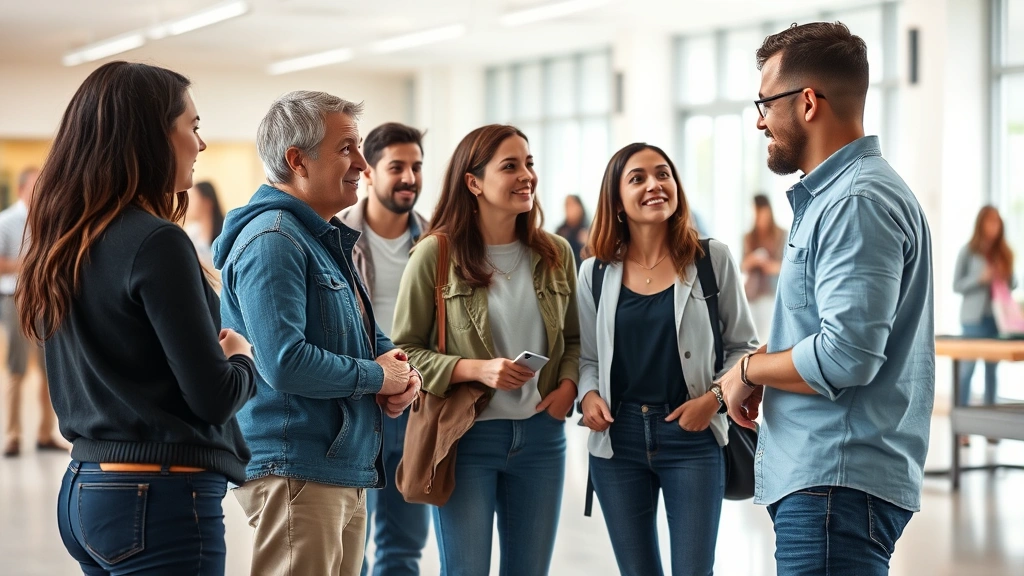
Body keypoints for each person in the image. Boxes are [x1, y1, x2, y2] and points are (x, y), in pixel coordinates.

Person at [15, 61, 257, 574]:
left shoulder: (64, 239)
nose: (201, 143)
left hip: (86, 489)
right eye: (192, 126)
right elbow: (214, 398)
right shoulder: (157, 241)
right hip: (158, 496)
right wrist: (241, 357)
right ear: (152, 136)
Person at [717, 22, 934, 576]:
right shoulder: (840, 196)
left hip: (834, 487)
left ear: (808, 102)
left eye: (766, 102)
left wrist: (750, 370)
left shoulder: (854, 201)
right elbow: (826, 331)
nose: (760, 120)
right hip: (830, 487)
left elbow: (847, 355)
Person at [213, 91, 421, 576]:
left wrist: (401, 373)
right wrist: (377, 377)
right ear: (297, 160)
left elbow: (364, 335)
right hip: (297, 467)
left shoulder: (318, 237)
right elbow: (284, 362)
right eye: (346, 148)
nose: (361, 163)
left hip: (336, 465)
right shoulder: (274, 240)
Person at [391, 124, 580, 576]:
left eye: (529, 163)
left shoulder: (556, 253)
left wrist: (569, 387)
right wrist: (476, 369)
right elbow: (404, 352)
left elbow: (575, 339)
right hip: (467, 437)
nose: (526, 175)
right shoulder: (435, 254)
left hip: (542, 438)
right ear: (473, 182)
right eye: (510, 166)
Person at [576, 143, 757, 576]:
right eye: (637, 178)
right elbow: (588, 358)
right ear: (617, 201)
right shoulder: (595, 272)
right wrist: (588, 396)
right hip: (618, 441)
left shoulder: (711, 259)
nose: (654, 185)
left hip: (692, 436)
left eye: (663, 174)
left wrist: (713, 400)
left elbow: (744, 347)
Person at [338, 122, 431, 576]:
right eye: (397, 167)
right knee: (349, 545)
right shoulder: (335, 236)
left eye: (416, 166)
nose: (409, 177)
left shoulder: (437, 241)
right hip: (357, 404)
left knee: (404, 546)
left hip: (417, 405)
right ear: (369, 172)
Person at [1, 167, 62, 457]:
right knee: (17, 367)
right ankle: (12, 435)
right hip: (16, 299)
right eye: (36, 185)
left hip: (47, 300)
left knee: (51, 368)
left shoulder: (50, 218)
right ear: (21, 189)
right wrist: (32, 263)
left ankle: (45, 433)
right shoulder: (6, 221)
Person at [953, 206, 1014, 412]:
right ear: (981, 224)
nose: (993, 226)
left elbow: (1013, 284)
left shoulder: (1003, 253)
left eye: (997, 221)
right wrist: (979, 279)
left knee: (992, 371)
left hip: (996, 320)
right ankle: (962, 417)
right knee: (967, 369)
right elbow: (957, 285)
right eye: (989, 221)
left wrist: (1005, 274)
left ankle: (991, 419)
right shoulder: (968, 251)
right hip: (973, 320)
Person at [741, 193, 787, 342]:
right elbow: (741, 266)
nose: (759, 218)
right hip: (751, 293)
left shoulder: (781, 234)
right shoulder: (748, 237)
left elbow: (788, 266)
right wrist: (752, 260)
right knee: (752, 336)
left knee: (767, 336)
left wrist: (771, 266)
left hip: (772, 292)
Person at [184, 180, 224, 268]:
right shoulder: (190, 234)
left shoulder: (225, 233)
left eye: (192, 198)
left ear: (207, 202)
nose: (188, 204)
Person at [555, 194, 589, 269]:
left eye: (572, 205)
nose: (569, 209)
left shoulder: (587, 231)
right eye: (566, 205)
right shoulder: (560, 231)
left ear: (580, 207)